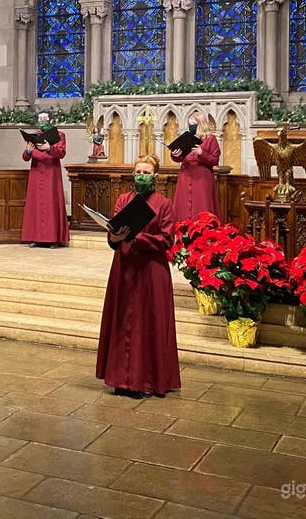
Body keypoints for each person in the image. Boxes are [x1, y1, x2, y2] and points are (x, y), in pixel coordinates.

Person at [96, 155, 181, 398]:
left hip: (151, 271)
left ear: (155, 176)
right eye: (137, 171)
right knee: (123, 322)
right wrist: (114, 236)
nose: (140, 176)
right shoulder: (124, 200)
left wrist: (138, 238)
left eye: (145, 172)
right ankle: (120, 379)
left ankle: (146, 381)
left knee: (148, 323)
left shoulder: (164, 204)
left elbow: (167, 239)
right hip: (124, 268)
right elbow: (113, 233)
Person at [20, 111, 70, 248]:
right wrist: (28, 151)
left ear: (51, 120)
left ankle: (53, 239)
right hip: (36, 174)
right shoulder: (34, 135)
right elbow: (25, 157)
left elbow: (61, 153)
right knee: (36, 205)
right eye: (39, 118)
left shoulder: (59, 135)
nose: (41, 120)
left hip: (51, 175)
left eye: (44, 118)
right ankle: (36, 237)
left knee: (51, 205)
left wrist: (49, 148)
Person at [170, 109, 220, 222]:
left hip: (202, 178)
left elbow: (215, 160)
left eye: (194, 125)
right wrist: (175, 154)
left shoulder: (210, 139)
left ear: (201, 124)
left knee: (202, 206)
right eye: (190, 125)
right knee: (183, 208)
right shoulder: (187, 138)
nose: (191, 127)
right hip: (185, 176)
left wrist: (202, 153)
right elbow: (179, 158)